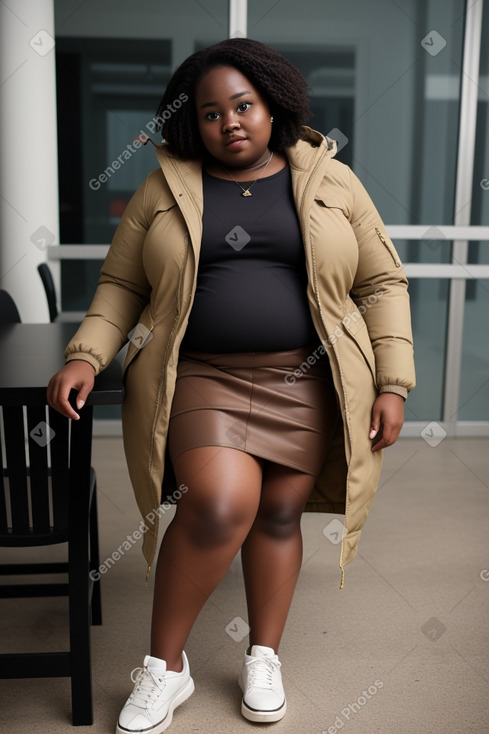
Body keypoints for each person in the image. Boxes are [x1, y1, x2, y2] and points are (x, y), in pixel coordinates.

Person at [47, 38, 415, 734]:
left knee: (277, 515)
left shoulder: (331, 181)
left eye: (242, 106)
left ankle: (263, 654)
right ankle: (165, 668)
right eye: (211, 113)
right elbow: (122, 283)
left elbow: (380, 281)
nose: (230, 123)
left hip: (303, 378)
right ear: (194, 122)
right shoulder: (163, 186)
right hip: (200, 375)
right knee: (217, 502)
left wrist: (391, 382)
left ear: (272, 105)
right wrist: (87, 356)